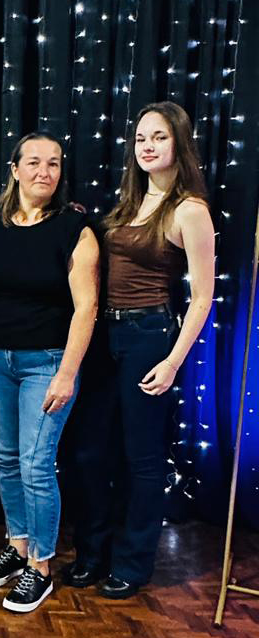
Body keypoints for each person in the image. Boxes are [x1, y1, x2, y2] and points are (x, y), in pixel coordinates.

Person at [62, 101, 215, 599]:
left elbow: (203, 297)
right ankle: (92, 553)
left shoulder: (189, 209)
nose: (147, 146)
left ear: (179, 143)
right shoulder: (128, 202)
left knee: (141, 457)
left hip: (149, 335)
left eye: (159, 137)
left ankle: (132, 562)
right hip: (103, 335)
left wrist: (172, 361)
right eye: (141, 138)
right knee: (90, 451)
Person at [0, 131, 100, 613]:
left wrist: (67, 373)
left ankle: (40, 567)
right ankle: (18, 545)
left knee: (35, 463)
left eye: (54, 163)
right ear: (15, 169)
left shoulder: (75, 229)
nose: (45, 171)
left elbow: (86, 308)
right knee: (6, 459)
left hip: (47, 361)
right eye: (35, 162)